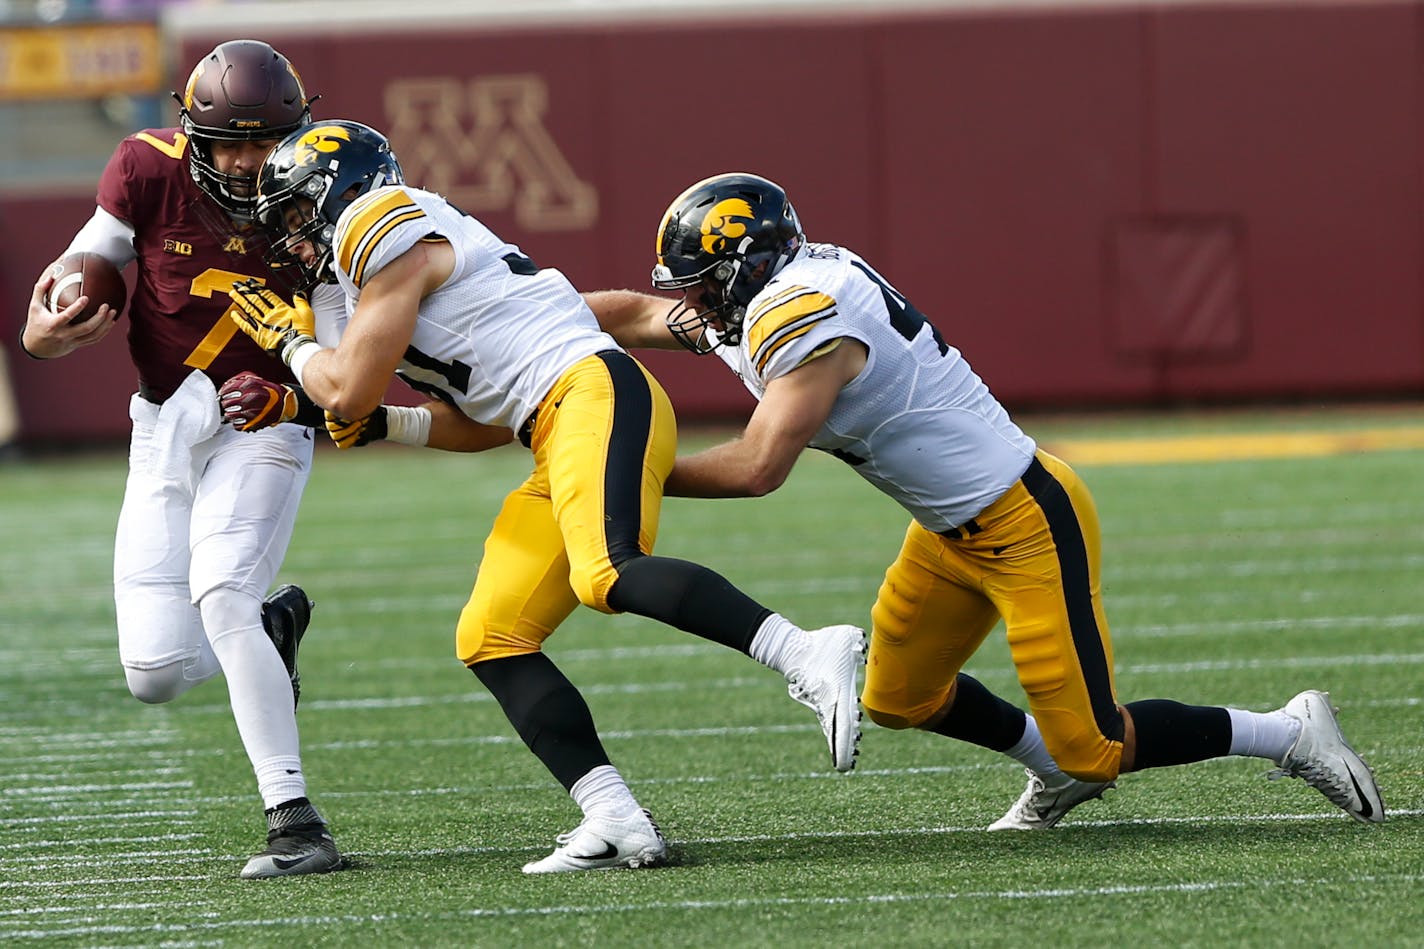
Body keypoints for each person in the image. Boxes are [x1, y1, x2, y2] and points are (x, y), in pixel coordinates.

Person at [583, 171, 1386, 830]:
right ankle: (1052, 772)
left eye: (700, 284)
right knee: (898, 697)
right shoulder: (765, 294)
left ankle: (1286, 731)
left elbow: (760, 465)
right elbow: (637, 313)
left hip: (1026, 516)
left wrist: (628, 469)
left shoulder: (806, 317)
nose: (689, 304)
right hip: (947, 532)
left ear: (743, 268)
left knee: (1099, 743)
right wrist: (531, 328)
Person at [222, 120, 867, 873]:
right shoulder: (375, 276)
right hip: (553, 422)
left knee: (608, 571)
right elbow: (484, 420)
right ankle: (614, 815)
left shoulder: (378, 218)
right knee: (492, 634)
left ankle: (806, 650)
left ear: (344, 193)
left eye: (300, 216)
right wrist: (376, 418)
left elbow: (348, 386)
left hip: (593, 391)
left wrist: (292, 346)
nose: (295, 240)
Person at [18, 40, 344, 878]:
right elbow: (93, 254)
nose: (243, 161)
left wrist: (308, 399)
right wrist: (44, 327)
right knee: (155, 672)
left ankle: (294, 818)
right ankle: (273, 631)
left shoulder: (327, 184)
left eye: (262, 141)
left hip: (266, 419)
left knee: (222, 589)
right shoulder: (146, 168)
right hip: (164, 426)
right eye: (227, 141)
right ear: (190, 132)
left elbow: (348, 355)